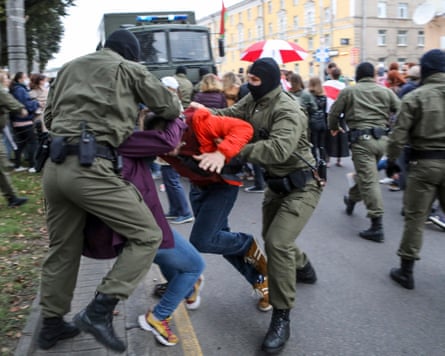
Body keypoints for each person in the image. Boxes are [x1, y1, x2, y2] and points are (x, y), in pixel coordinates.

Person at [36, 29, 181, 352]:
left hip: (54, 168)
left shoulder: (69, 67)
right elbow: (169, 106)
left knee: (62, 249)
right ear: (130, 54)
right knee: (147, 234)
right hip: (91, 168)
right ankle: (99, 311)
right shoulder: (129, 68)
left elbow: (48, 116)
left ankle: (50, 325)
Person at [193, 57, 322, 354]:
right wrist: (204, 113)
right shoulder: (254, 99)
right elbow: (229, 113)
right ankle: (303, 266)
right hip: (277, 186)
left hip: (303, 186)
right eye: (248, 79)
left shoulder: (287, 109)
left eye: (253, 80)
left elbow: (277, 149)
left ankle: (281, 316)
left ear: (269, 80)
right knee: (275, 239)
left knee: (277, 242)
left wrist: (228, 153)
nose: (248, 84)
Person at [84, 114, 204, 347]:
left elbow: (165, 146)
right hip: (142, 230)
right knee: (194, 266)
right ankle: (158, 317)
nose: (180, 145)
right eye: (181, 139)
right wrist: (178, 118)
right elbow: (168, 142)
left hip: (141, 227)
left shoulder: (123, 145)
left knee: (174, 261)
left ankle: (188, 290)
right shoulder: (128, 142)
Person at [159, 107, 272, 313]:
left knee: (204, 240)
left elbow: (243, 128)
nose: (165, 151)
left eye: (167, 143)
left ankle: (247, 243)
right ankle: (261, 281)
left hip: (222, 185)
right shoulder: (156, 139)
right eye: (159, 145)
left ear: (177, 131)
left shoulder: (199, 123)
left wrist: (222, 152)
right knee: (220, 239)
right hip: (198, 188)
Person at [386, 49, 445, 290]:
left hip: (424, 164)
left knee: (415, 218)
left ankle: (406, 271)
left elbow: (398, 136)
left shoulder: (415, 97)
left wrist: (391, 162)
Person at [328, 62, 400, 243]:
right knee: (366, 175)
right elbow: (401, 110)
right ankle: (351, 199)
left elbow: (334, 114)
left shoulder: (349, 91)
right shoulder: (385, 91)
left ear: (358, 76)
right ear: (374, 75)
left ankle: (377, 226)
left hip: (362, 142)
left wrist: (334, 127)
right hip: (382, 140)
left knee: (369, 180)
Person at [158, 76, 194, 224]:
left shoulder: (171, 103)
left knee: (172, 180)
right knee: (168, 179)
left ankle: (185, 212)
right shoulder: (173, 101)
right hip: (169, 143)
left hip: (171, 145)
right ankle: (175, 209)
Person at [0, 71, 29, 207]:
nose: (8, 80)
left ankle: (11, 198)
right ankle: (12, 198)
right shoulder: (1, 91)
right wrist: (22, 109)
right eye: (6, 78)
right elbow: (15, 105)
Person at [9, 72, 40, 172]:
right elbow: (26, 105)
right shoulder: (21, 90)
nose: (27, 79)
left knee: (20, 144)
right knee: (32, 143)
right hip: (24, 120)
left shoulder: (14, 89)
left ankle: (17, 165)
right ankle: (32, 165)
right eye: (25, 77)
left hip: (16, 121)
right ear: (20, 79)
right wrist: (36, 103)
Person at [323, 67, 349, 167]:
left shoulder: (325, 84)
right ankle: (339, 160)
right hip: (340, 114)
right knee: (341, 137)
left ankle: (328, 160)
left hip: (328, 113)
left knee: (329, 137)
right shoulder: (343, 86)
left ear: (331, 74)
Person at [307, 76, 328, 163]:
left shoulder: (309, 96)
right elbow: (325, 110)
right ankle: (323, 161)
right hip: (322, 122)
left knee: (313, 145)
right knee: (322, 145)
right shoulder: (324, 96)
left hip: (313, 123)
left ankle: (315, 162)